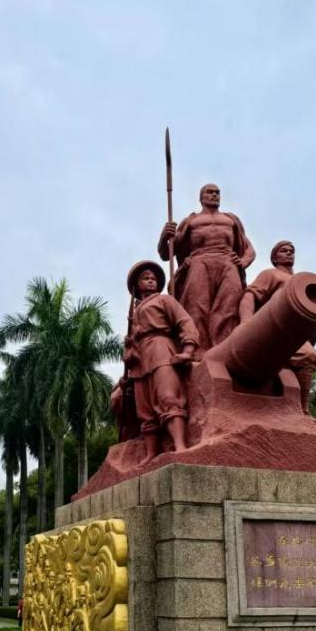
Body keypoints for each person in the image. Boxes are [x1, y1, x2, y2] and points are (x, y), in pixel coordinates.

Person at [239, 240, 316, 414]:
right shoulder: (271, 275)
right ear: (275, 258)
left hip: (299, 335)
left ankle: (304, 409)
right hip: (277, 331)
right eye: (284, 251)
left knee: (309, 357)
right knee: (308, 355)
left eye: (291, 251)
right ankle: (304, 411)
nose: (289, 253)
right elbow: (249, 296)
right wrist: (245, 324)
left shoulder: (301, 281)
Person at [158, 183, 255, 353]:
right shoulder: (191, 221)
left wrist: (242, 262)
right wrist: (164, 236)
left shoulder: (230, 220)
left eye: (217, 192)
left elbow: (250, 250)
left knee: (229, 306)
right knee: (196, 306)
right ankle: (196, 350)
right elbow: (167, 254)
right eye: (210, 192)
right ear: (201, 198)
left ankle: (225, 349)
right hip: (199, 262)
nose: (214, 195)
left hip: (228, 263)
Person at [123, 260, 199, 462]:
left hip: (160, 349)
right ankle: (150, 454)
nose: (151, 281)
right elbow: (129, 344)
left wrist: (188, 349)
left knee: (168, 397)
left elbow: (184, 321)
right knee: (144, 409)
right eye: (146, 278)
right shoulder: (132, 315)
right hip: (139, 361)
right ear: (137, 285)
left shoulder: (164, 300)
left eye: (153, 278)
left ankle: (180, 445)